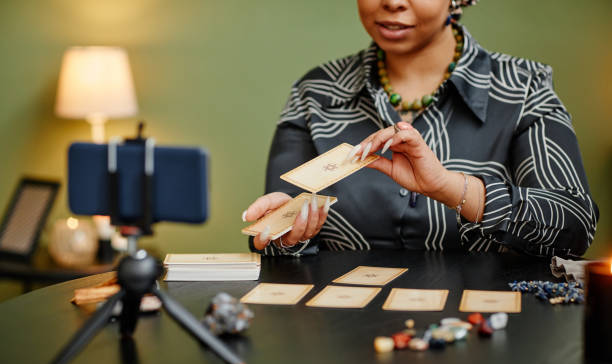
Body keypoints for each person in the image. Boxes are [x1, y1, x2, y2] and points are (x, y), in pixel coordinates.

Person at [242, 0, 598, 257]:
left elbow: (575, 226)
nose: (392, 3)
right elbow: (276, 230)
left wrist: (450, 187)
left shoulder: (522, 88)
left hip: (487, 333)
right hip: (341, 338)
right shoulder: (315, 92)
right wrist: (283, 233)